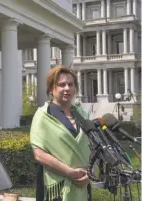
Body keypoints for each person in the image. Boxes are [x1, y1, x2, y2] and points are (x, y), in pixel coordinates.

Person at [30, 65, 91, 201]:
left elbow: (91, 148)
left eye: (70, 84)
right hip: (55, 189)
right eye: (61, 85)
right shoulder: (43, 115)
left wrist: (89, 174)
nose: (67, 88)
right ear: (52, 88)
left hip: (82, 184)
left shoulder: (82, 114)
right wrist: (69, 172)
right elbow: (39, 154)